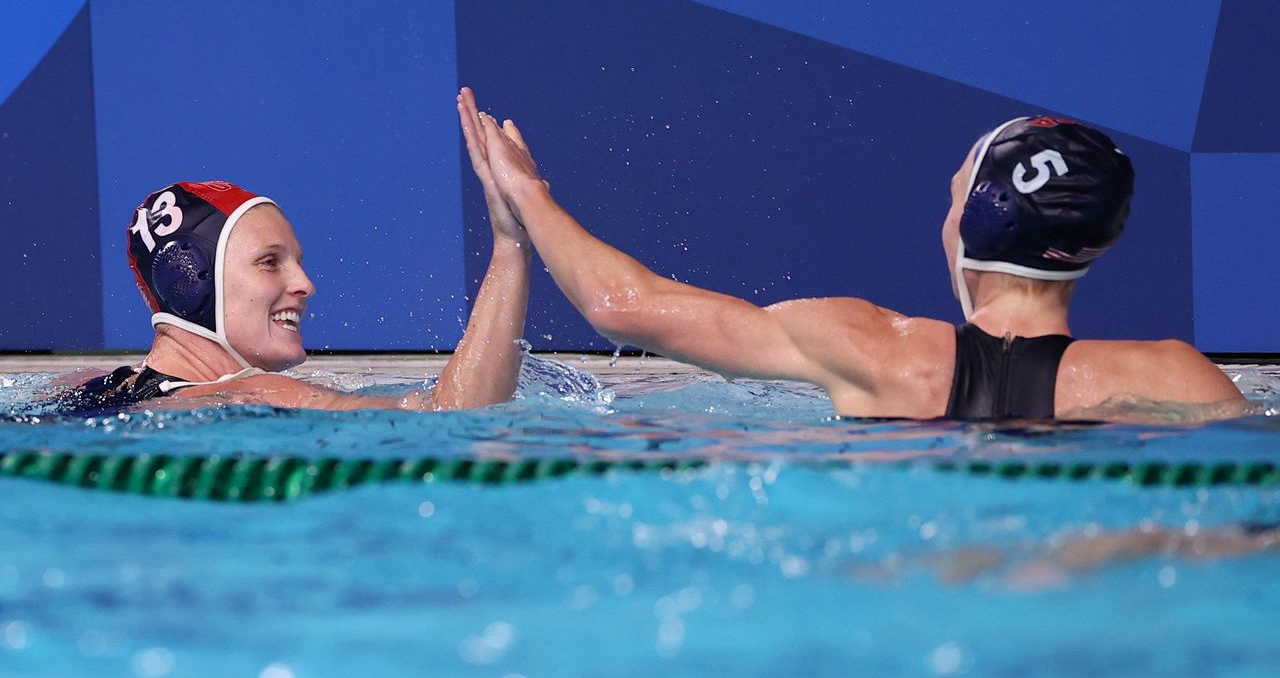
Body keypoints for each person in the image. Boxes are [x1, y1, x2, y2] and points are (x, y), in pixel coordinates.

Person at [458, 88, 1244, 420]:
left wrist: (527, 198)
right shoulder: (1178, 377)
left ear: (974, 223)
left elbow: (621, 307)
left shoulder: (869, 349)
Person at [65, 141, 531, 412]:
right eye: (270, 262)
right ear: (191, 282)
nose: (306, 285)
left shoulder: (96, 385)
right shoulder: (256, 394)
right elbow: (455, 412)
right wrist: (512, 245)